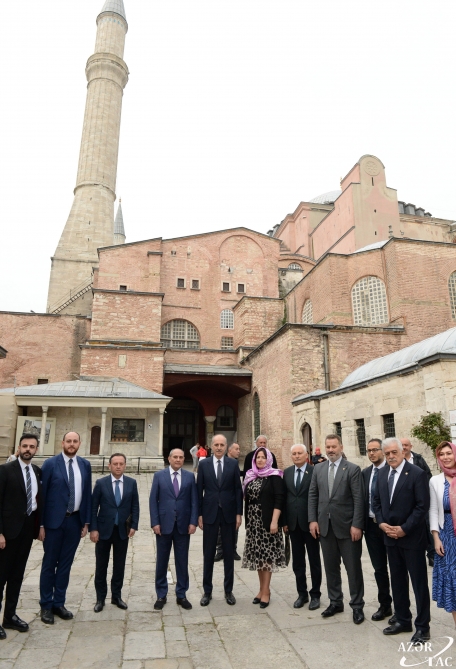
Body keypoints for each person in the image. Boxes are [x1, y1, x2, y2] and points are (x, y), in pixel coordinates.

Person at [372, 437, 430, 644]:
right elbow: (376, 502)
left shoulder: (417, 474)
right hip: (390, 537)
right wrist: (381, 523)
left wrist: (404, 529)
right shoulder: (381, 474)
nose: (390, 456)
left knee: (418, 583)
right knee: (397, 581)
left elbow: (422, 506)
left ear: (403, 452)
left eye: (394, 452)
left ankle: (423, 627)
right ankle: (403, 620)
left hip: (412, 538)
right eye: (387, 453)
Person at [308, 433, 365, 625]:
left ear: (341, 447)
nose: (331, 450)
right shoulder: (318, 468)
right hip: (325, 527)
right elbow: (313, 495)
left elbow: (359, 499)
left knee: (353, 569)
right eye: (328, 447)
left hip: (348, 528)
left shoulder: (352, 469)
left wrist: (357, 524)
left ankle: (357, 606)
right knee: (331, 567)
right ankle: (335, 601)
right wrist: (312, 520)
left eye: (334, 446)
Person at [39, 431, 92, 625]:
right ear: (62, 443)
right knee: (49, 563)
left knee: (65, 565)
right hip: (53, 523)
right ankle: (46, 604)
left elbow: (87, 494)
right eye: (68, 441)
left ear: (79, 443)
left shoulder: (85, 465)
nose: (71, 444)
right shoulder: (50, 464)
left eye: (75, 441)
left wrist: (86, 522)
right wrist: (41, 524)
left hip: (74, 522)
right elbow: (42, 495)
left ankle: (58, 603)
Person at [0, 434, 43, 639]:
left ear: (36, 449)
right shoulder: (5, 470)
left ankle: (10, 616)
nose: (28, 449)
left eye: (32, 446)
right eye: (25, 446)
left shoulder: (36, 471)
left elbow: (37, 501)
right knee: (1, 576)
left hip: (26, 529)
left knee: (17, 575)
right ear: (19, 447)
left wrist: (39, 526)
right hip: (7, 532)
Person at [197, 434, 243, 606]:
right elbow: (198, 490)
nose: (218, 447)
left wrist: (239, 513)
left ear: (226, 447)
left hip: (229, 514)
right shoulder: (204, 464)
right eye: (216, 444)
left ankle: (228, 590)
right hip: (209, 514)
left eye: (222, 445)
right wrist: (199, 514)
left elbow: (238, 490)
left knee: (229, 553)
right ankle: (207, 591)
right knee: (208, 553)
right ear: (211, 446)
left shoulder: (232, 464)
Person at [90, 453, 139, 612]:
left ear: (125, 465)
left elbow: (135, 506)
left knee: (119, 565)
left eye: (121, 464)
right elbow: (93, 508)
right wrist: (93, 529)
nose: (118, 466)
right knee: (101, 566)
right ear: (109, 465)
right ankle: (100, 598)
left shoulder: (131, 483)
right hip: (103, 531)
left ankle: (116, 596)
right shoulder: (101, 483)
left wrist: (134, 525)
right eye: (115, 464)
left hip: (122, 531)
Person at [150, 448, 198, 610]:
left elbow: (194, 501)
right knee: (162, 561)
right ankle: (161, 594)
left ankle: (181, 594)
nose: (178, 460)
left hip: (183, 525)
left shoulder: (190, 477)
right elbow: (153, 501)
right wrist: (155, 522)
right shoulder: (159, 476)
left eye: (181, 457)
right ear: (169, 459)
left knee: (182, 561)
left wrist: (193, 522)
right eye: (175, 457)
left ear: (184, 459)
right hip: (164, 525)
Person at [242, 446, 286, 608]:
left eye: (263, 457)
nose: (260, 460)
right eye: (257, 457)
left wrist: (274, 522)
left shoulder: (275, 476)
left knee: (266, 557)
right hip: (254, 523)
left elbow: (279, 500)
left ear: (269, 460)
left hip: (267, 522)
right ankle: (261, 589)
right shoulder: (251, 475)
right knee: (258, 557)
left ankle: (266, 591)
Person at [282, 444, 322, 610]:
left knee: (314, 560)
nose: (297, 456)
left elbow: (319, 496)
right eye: (294, 453)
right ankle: (302, 594)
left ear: (307, 455)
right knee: (298, 561)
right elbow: (284, 497)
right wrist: (284, 522)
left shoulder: (315, 471)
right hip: (293, 524)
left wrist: (316, 520)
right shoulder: (287, 472)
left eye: (300, 453)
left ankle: (315, 595)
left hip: (310, 524)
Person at [362, 438, 392, 621]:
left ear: (383, 451)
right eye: (369, 450)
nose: (372, 453)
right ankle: (385, 605)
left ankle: (402, 607)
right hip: (371, 527)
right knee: (379, 568)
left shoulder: (391, 471)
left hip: (389, 527)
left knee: (396, 568)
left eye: (375, 450)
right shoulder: (365, 473)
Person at [430, 441, 456, 626]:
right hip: (446, 535)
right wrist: (436, 537)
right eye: (442, 454)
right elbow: (433, 510)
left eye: (449, 453)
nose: (446, 457)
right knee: (452, 582)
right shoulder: (435, 481)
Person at [401, 437, 434, 566]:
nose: (404, 447)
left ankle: (431, 554)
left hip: (421, 499)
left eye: (406, 445)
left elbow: (428, 475)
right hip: (406, 502)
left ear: (411, 446)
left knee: (427, 525)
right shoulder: (397, 461)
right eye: (402, 445)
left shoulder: (418, 459)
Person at [215, 443, 242, 562]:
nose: (239, 451)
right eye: (236, 449)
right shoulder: (219, 463)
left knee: (234, 528)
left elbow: (237, 486)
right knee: (219, 529)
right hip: (218, 502)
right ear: (229, 451)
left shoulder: (235, 464)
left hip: (231, 502)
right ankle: (220, 551)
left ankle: (232, 550)